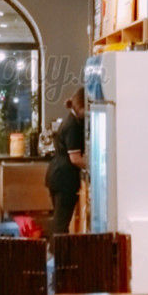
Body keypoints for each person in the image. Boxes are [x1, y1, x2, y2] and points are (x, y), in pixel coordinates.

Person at [45, 87, 86, 235]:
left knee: (60, 223)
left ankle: (55, 249)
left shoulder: (71, 120)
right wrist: (94, 167)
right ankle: (56, 250)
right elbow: (75, 158)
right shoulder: (72, 126)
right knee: (61, 225)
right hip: (64, 179)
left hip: (57, 175)